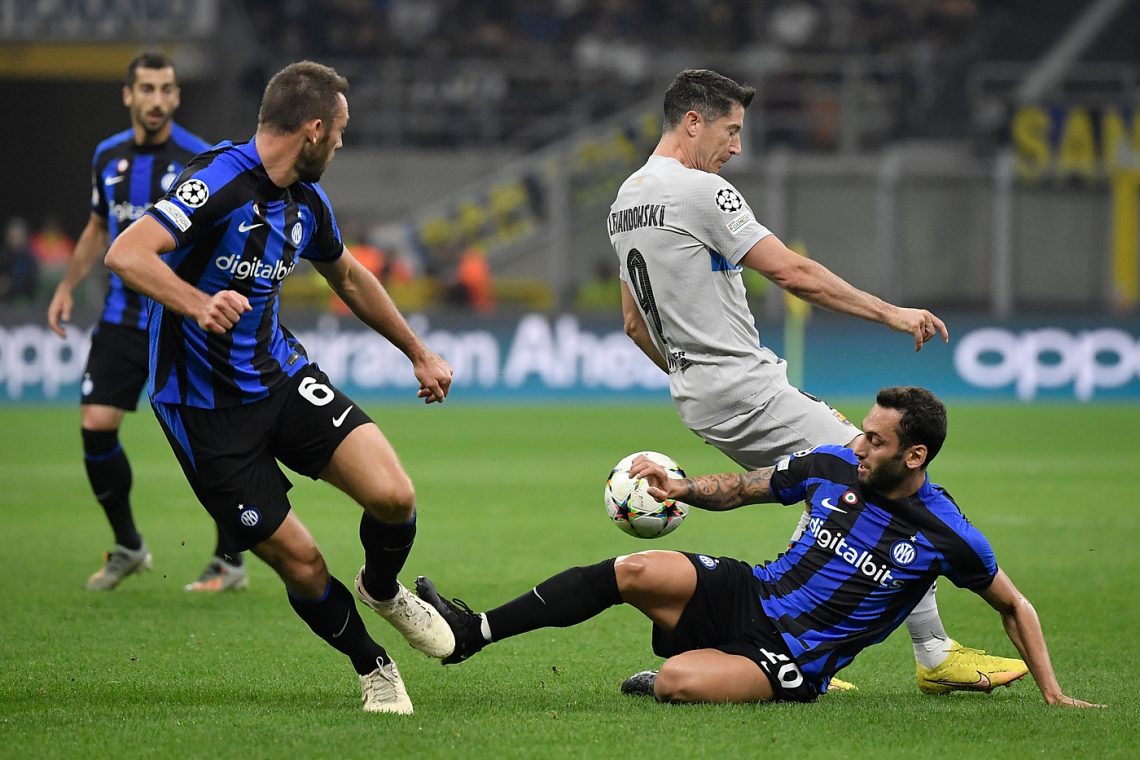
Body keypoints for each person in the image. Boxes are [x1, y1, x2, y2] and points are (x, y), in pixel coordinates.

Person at [605, 67, 1011, 693]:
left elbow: (635, 325)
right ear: (693, 122)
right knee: (874, 476)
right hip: (743, 383)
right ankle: (934, 656)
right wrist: (889, 312)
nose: (737, 147)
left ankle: (783, 647)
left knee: (831, 494)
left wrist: (691, 374)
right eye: (731, 130)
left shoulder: (624, 203)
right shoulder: (700, 192)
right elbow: (793, 273)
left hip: (696, 392)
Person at [105, 60, 455, 715]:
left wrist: (418, 351)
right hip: (203, 411)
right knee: (300, 561)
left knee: (393, 495)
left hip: (280, 377)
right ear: (315, 129)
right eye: (342, 131)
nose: (344, 144)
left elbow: (348, 278)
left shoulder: (306, 199)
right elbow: (127, 252)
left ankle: (383, 589)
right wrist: (195, 303)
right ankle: (372, 666)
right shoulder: (216, 182)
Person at [415, 387, 1103, 709]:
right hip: (751, 591)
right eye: (862, 432)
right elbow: (745, 488)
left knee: (681, 684)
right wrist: (681, 487)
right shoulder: (832, 465)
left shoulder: (948, 534)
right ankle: (472, 632)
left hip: (794, 657)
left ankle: (683, 669)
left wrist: (1053, 692)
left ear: (915, 454)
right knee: (633, 569)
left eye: (876, 441)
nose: (858, 445)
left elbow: (1014, 605)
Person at [45, 52, 248, 592]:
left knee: (208, 441)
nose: (157, 99)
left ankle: (230, 559)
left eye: (166, 89)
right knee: (96, 424)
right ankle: (129, 545)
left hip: (180, 320)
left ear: (177, 97)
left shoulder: (201, 159)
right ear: (128, 96)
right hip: (120, 319)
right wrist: (67, 286)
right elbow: (98, 227)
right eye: (147, 89)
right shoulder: (107, 156)